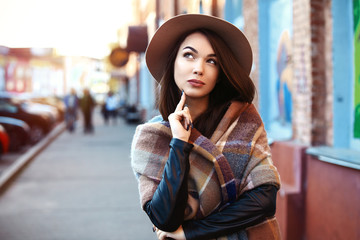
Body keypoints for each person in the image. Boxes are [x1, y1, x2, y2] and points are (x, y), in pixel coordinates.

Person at [131, 14, 281, 240]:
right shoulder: (153, 136)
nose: (199, 68)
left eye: (212, 61)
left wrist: (192, 232)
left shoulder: (243, 120)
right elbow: (164, 218)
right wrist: (179, 143)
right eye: (189, 55)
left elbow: (264, 200)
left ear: (220, 74)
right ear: (173, 63)